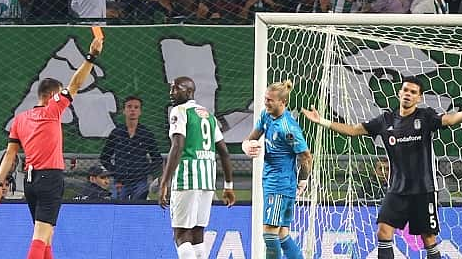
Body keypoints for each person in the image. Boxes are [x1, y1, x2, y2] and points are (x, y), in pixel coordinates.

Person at [301, 76, 462, 259]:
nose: (408, 95)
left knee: (428, 239)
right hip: (396, 189)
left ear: (419, 98)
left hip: (423, 189)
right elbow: (353, 130)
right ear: (399, 93)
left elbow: (449, 120)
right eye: (406, 90)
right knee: (383, 232)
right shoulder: (385, 120)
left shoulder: (425, 117)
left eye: (413, 92)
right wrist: (322, 121)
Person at [0, 36, 103, 259]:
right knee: (41, 237)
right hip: (50, 179)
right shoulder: (53, 110)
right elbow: (76, 84)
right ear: (52, 96)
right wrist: (91, 56)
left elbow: (10, 155)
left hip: (30, 182)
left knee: (46, 235)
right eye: (59, 93)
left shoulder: (20, 120)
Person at [158, 76, 236, 259]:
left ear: (189, 91)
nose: (171, 93)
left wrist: (164, 181)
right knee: (197, 235)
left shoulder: (179, 111)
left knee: (181, 234)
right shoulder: (208, 115)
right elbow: (224, 152)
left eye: (176, 89)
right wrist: (229, 186)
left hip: (187, 178)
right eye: (171, 89)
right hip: (207, 181)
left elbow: (177, 146)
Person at [240, 79, 312, 259]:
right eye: (265, 99)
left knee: (269, 234)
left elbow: (306, 156)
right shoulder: (266, 115)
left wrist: (303, 180)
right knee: (282, 235)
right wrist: (246, 146)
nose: (265, 103)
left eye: (270, 100)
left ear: (283, 102)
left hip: (279, 185)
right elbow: (251, 138)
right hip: (273, 182)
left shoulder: (288, 128)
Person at [99, 95, 162, 201]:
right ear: (124, 111)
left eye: (136, 107)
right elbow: (104, 157)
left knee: (139, 207)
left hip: (140, 182)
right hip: (120, 181)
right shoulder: (117, 133)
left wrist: (144, 171)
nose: (132, 110)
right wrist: (115, 171)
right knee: (117, 208)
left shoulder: (146, 134)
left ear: (140, 112)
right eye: (129, 107)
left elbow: (157, 158)